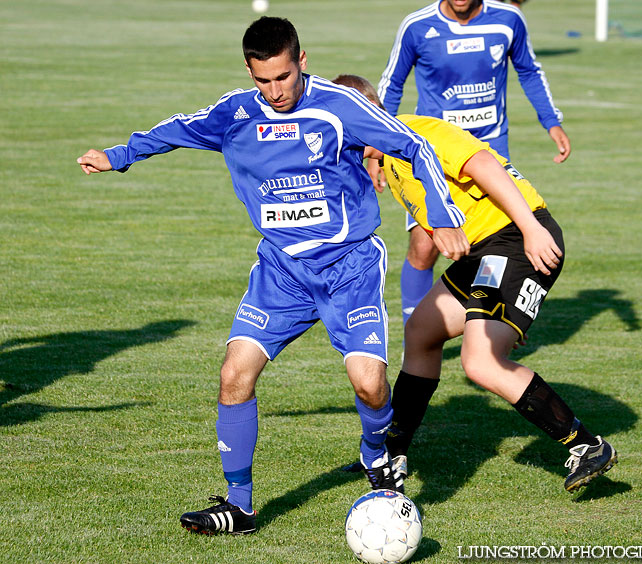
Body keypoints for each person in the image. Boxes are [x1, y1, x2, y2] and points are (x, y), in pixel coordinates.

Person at [77, 18, 469, 535]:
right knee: (234, 373)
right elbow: (176, 129)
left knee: (371, 386)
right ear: (249, 70)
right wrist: (120, 156)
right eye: (264, 80)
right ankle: (239, 506)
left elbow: (414, 147)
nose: (275, 90)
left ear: (301, 61)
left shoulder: (338, 107)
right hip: (282, 270)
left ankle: (378, 455)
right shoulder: (234, 113)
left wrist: (441, 216)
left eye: (283, 76)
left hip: (347, 265)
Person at [333, 74, 617, 493]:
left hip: (518, 238)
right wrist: (505, 312)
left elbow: (485, 165)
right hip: (485, 253)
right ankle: (393, 453)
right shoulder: (391, 164)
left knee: (479, 361)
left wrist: (531, 231)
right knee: (422, 331)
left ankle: (588, 446)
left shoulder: (420, 132)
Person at [375, 0, 571, 326]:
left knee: (500, 237)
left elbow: (529, 70)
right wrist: (379, 150)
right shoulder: (417, 26)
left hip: (488, 150)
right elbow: (392, 83)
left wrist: (552, 121)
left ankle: (497, 320)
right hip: (432, 157)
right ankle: (415, 330)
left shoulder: (508, 20)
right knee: (424, 247)